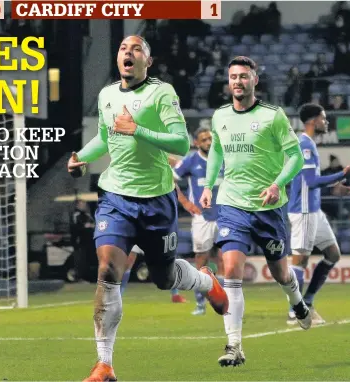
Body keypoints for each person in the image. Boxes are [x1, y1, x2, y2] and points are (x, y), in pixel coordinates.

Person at [67, 35, 228, 381]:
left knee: (163, 278)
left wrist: (137, 129)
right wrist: (82, 157)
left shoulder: (161, 93)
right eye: (124, 48)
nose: (128, 52)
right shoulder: (107, 95)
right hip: (115, 197)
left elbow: (181, 143)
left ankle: (205, 281)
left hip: (156, 200)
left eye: (137, 49)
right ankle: (104, 364)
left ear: (148, 62)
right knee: (109, 268)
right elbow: (106, 139)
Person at [200, 56, 311, 368]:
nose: (238, 81)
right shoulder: (219, 115)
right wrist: (209, 185)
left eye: (244, 77)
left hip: (269, 208)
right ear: (228, 81)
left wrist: (278, 184)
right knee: (231, 270)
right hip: (233, 203)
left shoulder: (273, 117)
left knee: (281, 273)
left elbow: (295, 158)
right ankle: (234, 346)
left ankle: (297, 301)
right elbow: (217, 151)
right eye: (233, 76)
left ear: (255, 81)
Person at [287, 103, 350, 325]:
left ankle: (308, 302)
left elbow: (306, 181)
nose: (326, 122)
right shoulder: (304, 145)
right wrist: (342, 173)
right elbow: (310, 182)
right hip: (303, 211)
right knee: (299, 261)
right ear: (312, 121)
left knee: (333, 254)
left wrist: (334, 188)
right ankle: (295, 310)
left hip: (314, 210)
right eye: (323, 118)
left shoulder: (310, 144)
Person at [172, 126, 226, 315]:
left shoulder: (222, 158)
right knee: (201, 260)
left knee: (224, 258)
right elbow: (171, 180)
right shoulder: (191, 161)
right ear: (196, 143)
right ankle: (200, 303)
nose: (208, 142)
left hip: (224, 216)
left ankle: (224, 302)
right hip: (202, 217)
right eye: (203, 140)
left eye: (210, 138)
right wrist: (186, 202)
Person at [120, 245, 186, 303]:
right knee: (128, 265)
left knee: (168, 263)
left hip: (153, 237)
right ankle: (119, 295)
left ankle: (175, 295)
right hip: (138, 235)